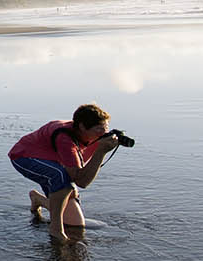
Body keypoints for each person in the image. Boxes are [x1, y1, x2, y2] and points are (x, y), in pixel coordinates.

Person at [9, 103, 122, 241]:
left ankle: (38, 199)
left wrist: (102, 147)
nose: (103, 134)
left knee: (75, 224)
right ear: (82, 127)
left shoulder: (91, 136)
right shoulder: (65, 138)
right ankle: (56, 229)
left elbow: (79, 175)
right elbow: (82, 181)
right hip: (25, 156)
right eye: (99, 130)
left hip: (55, 161)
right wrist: (101, 152)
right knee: (60, 176)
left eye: (106, 129)